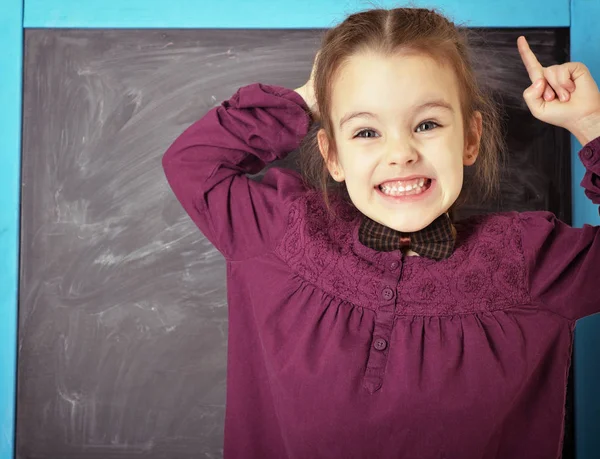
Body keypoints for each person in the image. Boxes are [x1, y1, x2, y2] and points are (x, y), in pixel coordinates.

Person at [162, 7, 600, 459]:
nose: (400, 154)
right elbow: (193, 165)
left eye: (427, 125)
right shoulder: (281, 233)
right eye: (367, 131)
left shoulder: (531, 261)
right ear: (332, 155)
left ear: (470, 139)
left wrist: (591, 125)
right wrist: (311, 98)